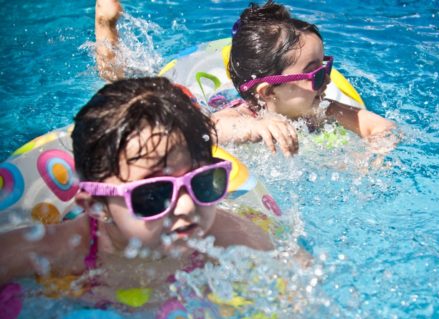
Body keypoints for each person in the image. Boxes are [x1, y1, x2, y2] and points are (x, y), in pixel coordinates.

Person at [0, 77, 273, 301]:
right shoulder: (59, 251)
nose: (187, 206)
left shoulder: (228, 237)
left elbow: (297, 277)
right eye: (154, 194)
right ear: (96, 205)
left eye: (202, 182)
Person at [94, 0, 395, 157]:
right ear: (267, 92)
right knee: (122, 91)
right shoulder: (241, 113)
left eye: (326, 68)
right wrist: (254, 126)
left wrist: (376, 154)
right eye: (315, 74)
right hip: (208, 105)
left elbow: (377, 126)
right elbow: (205, 132)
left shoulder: (322, 109)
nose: (326, 81)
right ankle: (106, 25)